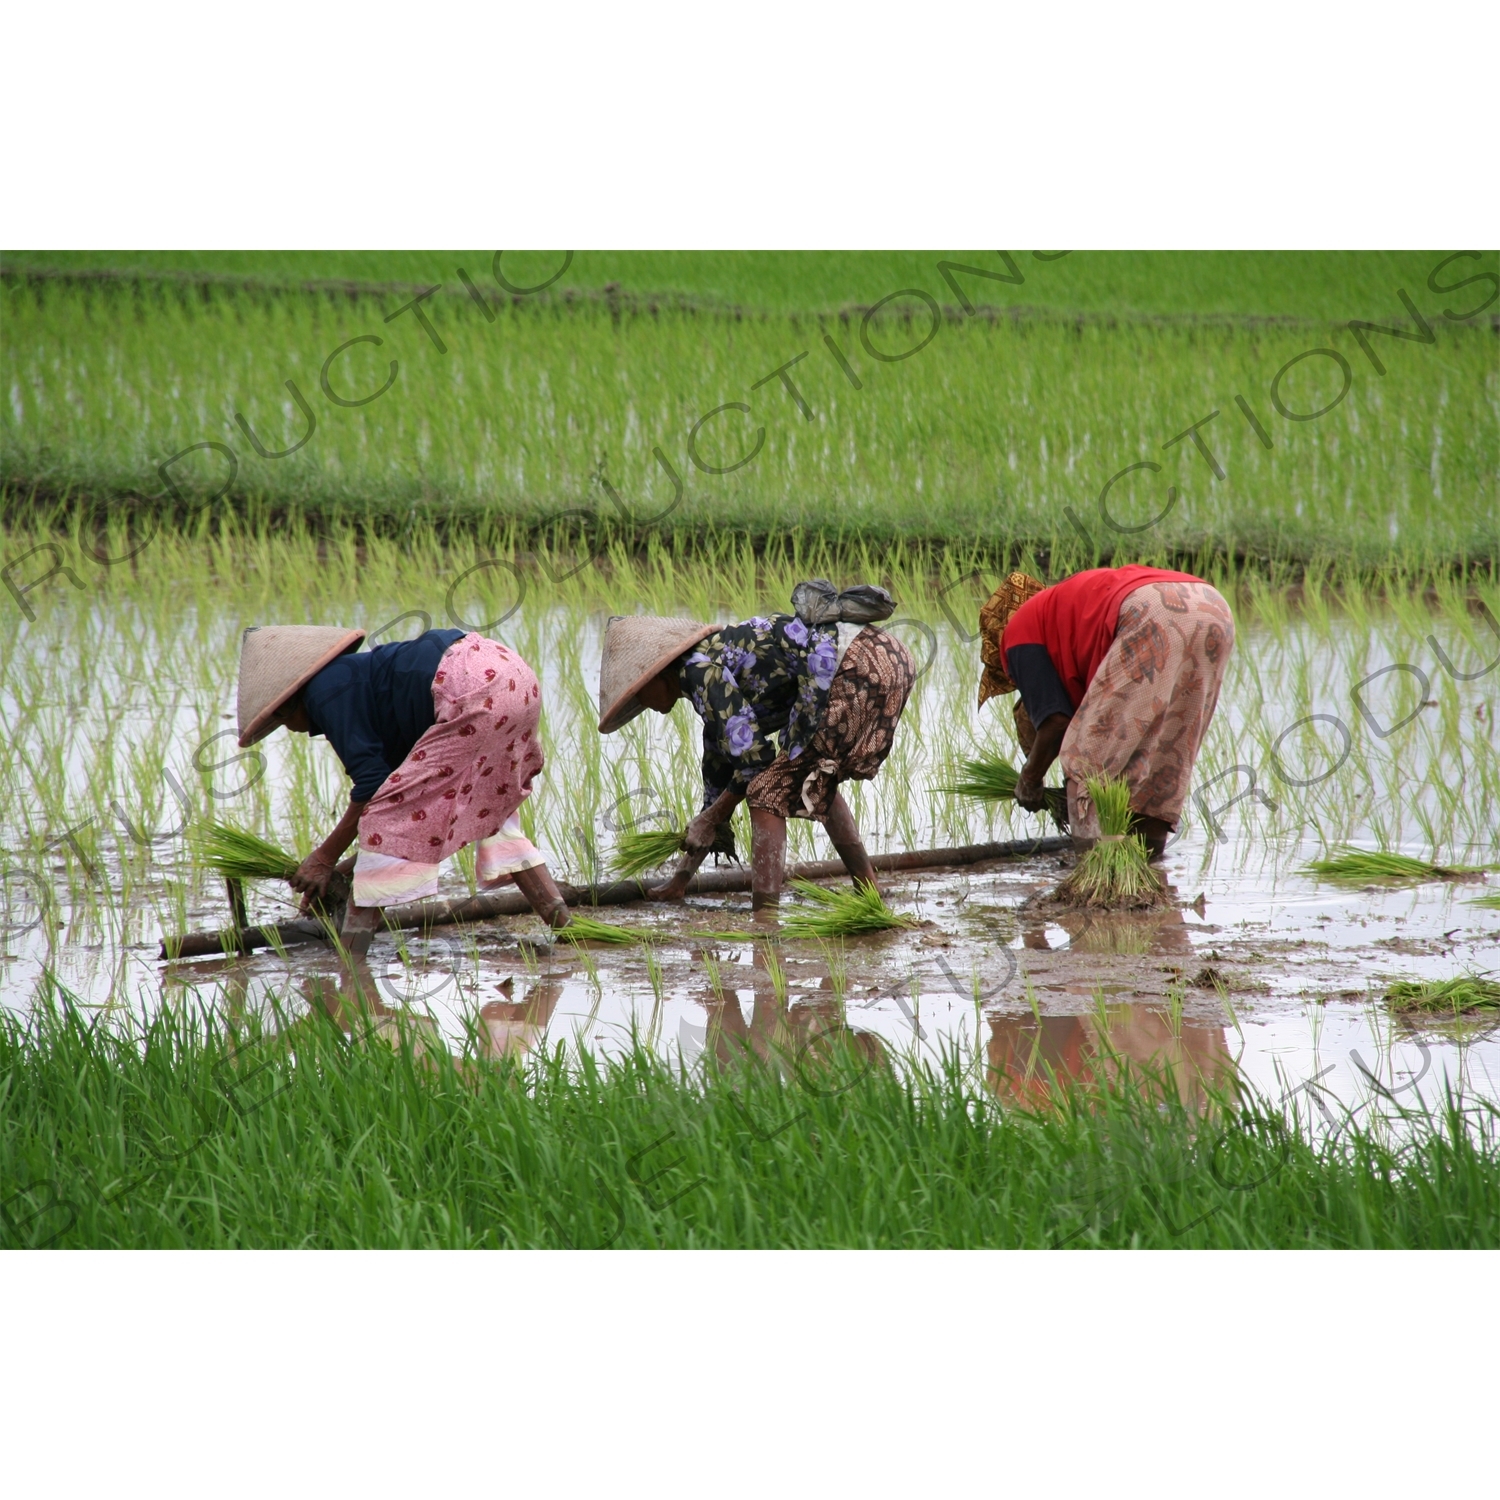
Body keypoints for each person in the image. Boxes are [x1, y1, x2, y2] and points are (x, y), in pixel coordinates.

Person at [235, 624, 572, 954]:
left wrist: (323, 859)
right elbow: (417, 817)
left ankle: (353, 965)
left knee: (383, 818)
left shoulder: (324, 691)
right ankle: (568, 928)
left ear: (286, 703)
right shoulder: (365, 686)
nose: (289, 730)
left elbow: (372, 790)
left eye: (279, 721)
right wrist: (345, 869)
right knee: (491, 810)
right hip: (511, 674)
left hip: (470, 687)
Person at [596, 580, 915, 910]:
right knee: (814, 778)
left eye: (639, 693)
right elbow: (716, 801)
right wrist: (681, 880)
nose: (643, 703)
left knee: (764, 792)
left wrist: (710, 818)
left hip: (856, 666)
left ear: (656, 676)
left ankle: (765, 916)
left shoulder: (700, 672)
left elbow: (755, 763)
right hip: (889, 657)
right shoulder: (709, 678)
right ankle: (869, 892)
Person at [976, 565, 1235, 859]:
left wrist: (1031, 779)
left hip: (1149, 610)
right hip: (1212, 607)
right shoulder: (1063, 617)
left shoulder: (1017, 633)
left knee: (1088, 766)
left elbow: (1056, 721)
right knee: (1161, 759)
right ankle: (1147, 876)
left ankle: (1096, 880)